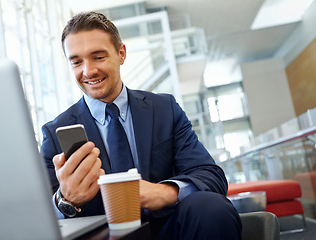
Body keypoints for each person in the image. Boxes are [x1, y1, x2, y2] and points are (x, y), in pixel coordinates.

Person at [41, 11, 242, 239]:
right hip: (105, 235)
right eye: (76, 62)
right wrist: (66, 200)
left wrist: (164, 192)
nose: (88, 71)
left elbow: (210, 176)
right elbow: (40, 218)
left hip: (169, 230)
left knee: (211, 208)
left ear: (121, 54)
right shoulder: (54, 133)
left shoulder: (164, 109)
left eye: (98, 57)